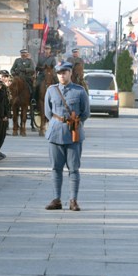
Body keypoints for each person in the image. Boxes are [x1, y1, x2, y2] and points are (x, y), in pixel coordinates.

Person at [43, 61, 90, 212]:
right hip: (55, 132)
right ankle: (56, 199)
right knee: (55, 168)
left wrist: (74, 123)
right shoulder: (51, 90)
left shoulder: (79, 91)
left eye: (64, 72)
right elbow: (47, 112)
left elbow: (86, 112)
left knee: (74, 169)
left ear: (70, 73)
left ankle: (73, 200)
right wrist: (58, 123)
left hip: (73, 133)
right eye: (59, 73)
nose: (61, 75)